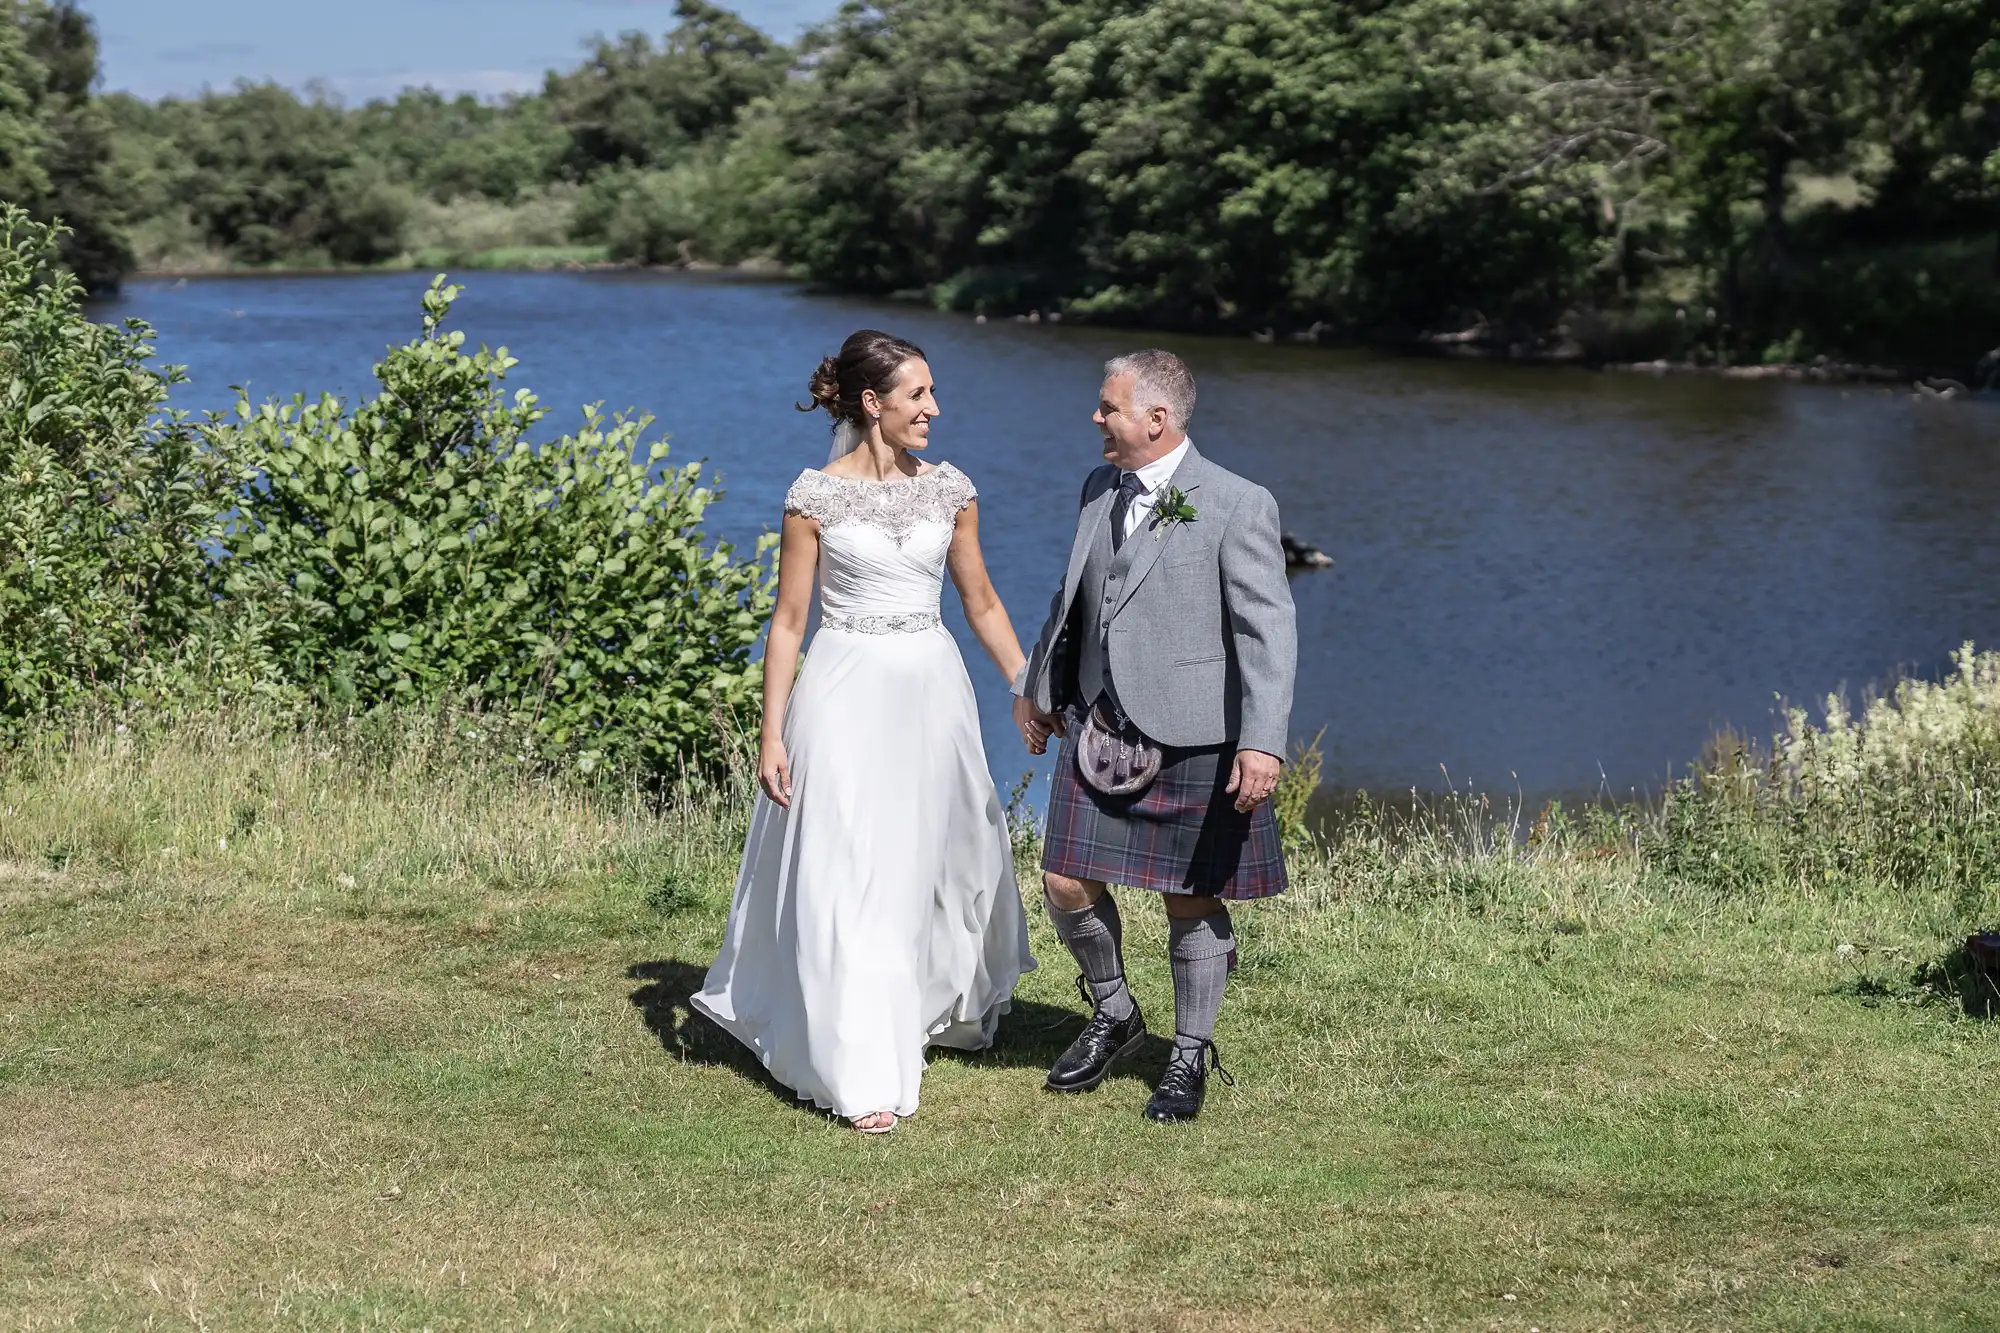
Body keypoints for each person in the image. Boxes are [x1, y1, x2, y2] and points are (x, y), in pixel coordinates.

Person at [693, 329, 1037, 1134]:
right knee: (847, 866)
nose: (934, 409)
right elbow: (788, 622)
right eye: (919, 394)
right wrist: (771, 732)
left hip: (931, 693)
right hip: (843, 692)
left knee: (936, 856)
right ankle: (857, 1062)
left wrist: (1025, 684)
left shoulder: (952, 489)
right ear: (873, 403)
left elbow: (982, 602)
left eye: (933, 392)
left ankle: (924, 1004)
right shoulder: (812, 496)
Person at [1011, 349, 1297, 1122]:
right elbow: (1069, 598)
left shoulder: (1239, 502)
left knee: (1189, 898)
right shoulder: (1098, 487)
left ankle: (1189, 1050)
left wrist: (1262, 741)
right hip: (1099, 722)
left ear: (1157, 419)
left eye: (1108, 407)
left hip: (1196, 730)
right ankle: (1114, 1012)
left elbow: (1268, 632)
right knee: (1065, 878)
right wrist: (1037, 689)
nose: (1095, 417)